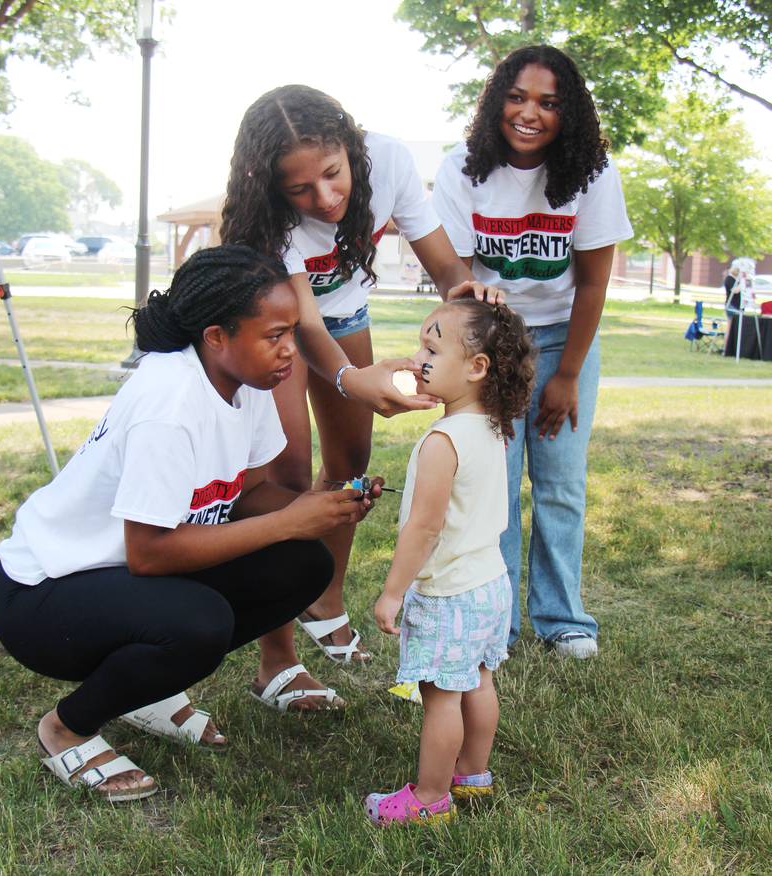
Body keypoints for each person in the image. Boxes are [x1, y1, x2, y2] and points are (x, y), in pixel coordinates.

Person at [0, 245, 380, 802]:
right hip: (42, 596)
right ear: (216, 336)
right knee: (199, 622)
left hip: (121, 578)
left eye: (293, 329)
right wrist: (288, 521)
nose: (290, 350)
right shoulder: (169, 401)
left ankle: (146, 689)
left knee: (302, 564)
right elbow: (149, 552)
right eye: (274, 335)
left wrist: (325, 505)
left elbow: (245, 494)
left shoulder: (244, 383)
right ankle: (66, 727)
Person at [219, 84, 503, 706]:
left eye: (332, 174)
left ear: (351, 147)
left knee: (349, 465)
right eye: (300, 190)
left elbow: (445, 265)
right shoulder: (267, 223)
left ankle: (324, 598)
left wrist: (468, 292)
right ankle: (278, 659)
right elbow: (306, 326)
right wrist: (353, 379)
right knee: (287, 479)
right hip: (275, 326)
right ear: (273, 189)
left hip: (345, 316)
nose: (324, 199)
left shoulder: (391, 161)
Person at [431, 45, 633, 659]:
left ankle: (562, 619)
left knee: (560, 485)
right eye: (517, 97)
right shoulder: (463, 168)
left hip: (564, 336)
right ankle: (496, 623)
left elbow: (593, 284)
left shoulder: (592, 173)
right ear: (497, 101)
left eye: (548, 102)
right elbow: (453, 277)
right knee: (492, 484)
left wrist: (567, 374)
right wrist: (478, 320)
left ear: (568, 112)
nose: (530, 113)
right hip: (490, 343)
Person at [367, 298, 534, 824]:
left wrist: (393, 591)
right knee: (479, 680)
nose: (418, 358)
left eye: (432, 348)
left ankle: (429, 798)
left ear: (477, 367)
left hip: (450, 595)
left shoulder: (442, 441)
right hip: (490, 584)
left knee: (441, 697)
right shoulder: (492, 428)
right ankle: (473, 775)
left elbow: (425, 527)